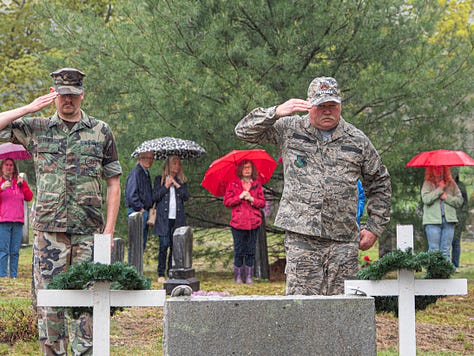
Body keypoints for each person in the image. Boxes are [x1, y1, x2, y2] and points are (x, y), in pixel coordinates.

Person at [0, 68, 122, 355]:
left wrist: (109, 230)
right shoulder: (36, 127)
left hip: (87, 231)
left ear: (82, 95)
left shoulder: (100, 130)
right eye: (63, 95)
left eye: (73, 95)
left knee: (86, 302)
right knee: (50, 303)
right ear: (55, 95)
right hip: (49, 232)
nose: (68, 100)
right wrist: (29, 108)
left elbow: (114, 182)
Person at [235, 76, 391, 296]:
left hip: (343, 240)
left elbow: (379, 183)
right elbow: (243, 131)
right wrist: (276, 111)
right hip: (302, 238)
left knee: (342, 308)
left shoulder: (357, 140)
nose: (327, 111)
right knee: (302, 309)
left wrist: (374, 226)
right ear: (309, 104)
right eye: (321, 106)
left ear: (340, 105)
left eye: (332, 106)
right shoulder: (289, 129)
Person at [223, 159, 266, 284]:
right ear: (240, 170)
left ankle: (248, 276)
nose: (247, 170)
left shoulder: (257, 185)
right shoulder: (233, 184)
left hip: (253, 223)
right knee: (239, 250)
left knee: (250, 250)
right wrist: (239, 197)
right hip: (238, 223)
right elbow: (227, 202)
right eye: (245, 167)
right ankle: (238, 276)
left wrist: (252, 199)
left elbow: (262, 203)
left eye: (249, 167)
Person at [152, 155, 189, 283]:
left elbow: (186, 197)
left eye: (179, 164)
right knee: (164, 245)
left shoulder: (182, 181)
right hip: (163, 218)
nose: (177, 166)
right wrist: (166, 186)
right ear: (168, 165)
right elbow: (155, 196)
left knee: (175, 246)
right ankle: (161, 273)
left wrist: (177, 185)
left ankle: (171, 272)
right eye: (174, 163)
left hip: (177, 219)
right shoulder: (159, 179)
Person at [0, 158, 33, 278]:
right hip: (3, 221)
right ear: (2, 167)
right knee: (3, 250)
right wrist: (1, 188)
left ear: (14, 167)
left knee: (15, 251)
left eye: (11, 165)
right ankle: (2, 274)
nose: (9, 167)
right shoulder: (1, 182)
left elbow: (29, 197)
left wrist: (22, 184)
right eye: (6, 165)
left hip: (18, 221)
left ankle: (13, 274)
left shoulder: (19, 182)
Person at [421, 166, 463, 260]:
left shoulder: (451, 184)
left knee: (446, 250)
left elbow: (459, 201)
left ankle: (445, 273)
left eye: (441, 168)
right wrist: (440, 189)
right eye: (435, 168)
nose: (438, 170)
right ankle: (433, 273)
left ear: (445, 170)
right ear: (431, 170)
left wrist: (446, 197)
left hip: (449, 221)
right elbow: (426, 199)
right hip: (432, 221)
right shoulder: (427, 184)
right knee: (433, 250)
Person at [125, 151, 154, 254]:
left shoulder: (146, 173)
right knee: (136, 245)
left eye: (151, 158)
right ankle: (133, 269)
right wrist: (140, 208)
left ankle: (138, 269)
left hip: (144, 211)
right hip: (137, 212)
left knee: (141, 245)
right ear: (140, 158)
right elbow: (131, 194)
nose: (149, 161)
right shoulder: (136, 172)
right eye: (146, 158)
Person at [452, 173, 468, 271]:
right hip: (447, 217)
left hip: (459, 218)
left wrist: (463, 219)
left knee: (456, 242)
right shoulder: (445, 184)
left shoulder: (461, 186)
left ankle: (455, 265)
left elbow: (465, 204)